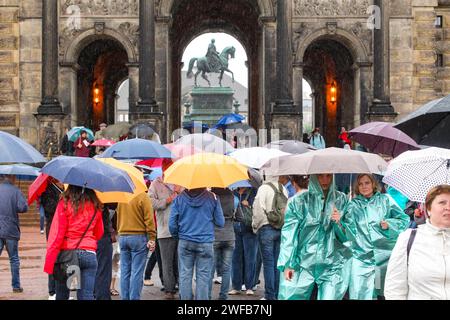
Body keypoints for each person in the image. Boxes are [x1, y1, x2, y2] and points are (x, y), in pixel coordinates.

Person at [278, 174, 350, 300]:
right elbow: (289, 234)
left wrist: (339, 223)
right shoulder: (299, 201)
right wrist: (287, 263)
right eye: (321, 176)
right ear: (314, 177)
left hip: (332, 264)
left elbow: (349, 237)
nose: (325, 180)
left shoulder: (341, 200)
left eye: (328, 176)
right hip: (303, 262)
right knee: (291, 296)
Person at [339, 174, 409, 300]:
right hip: (360, 258)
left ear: (373, 184)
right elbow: (347, 230)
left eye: (367, 183)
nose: (364, 186)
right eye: (360, 184)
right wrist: (339, 220)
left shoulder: (385, 200)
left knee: (380, 292)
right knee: (359, 292)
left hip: (382, 259)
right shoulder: (352, 205)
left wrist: (389, 224)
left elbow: (404, 220)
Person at [384, 185, 450, 300]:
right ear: (428, 209)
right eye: (442, 202)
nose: (448, 207)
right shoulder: (409, 239)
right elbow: (394, 289)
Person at [44, 185, 104, 300]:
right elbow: (99, 232)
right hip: (89, 254)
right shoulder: (95, 204)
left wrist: (51, 258)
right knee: (86, 295)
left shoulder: (65, 203)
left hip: (67, 256)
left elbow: (57, 234)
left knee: (62, 294)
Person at [169, 188, 225, 300]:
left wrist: (178, 236)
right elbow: (220, 222)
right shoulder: (212, 198)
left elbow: (172, 224)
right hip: (205, 241)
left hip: (185, 241)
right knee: (203, 277)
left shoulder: (179, 199)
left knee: (185, 275)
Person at [149, 161, 182, 299]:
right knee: (167, 261)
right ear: (163, 169)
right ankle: (169, 289)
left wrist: (180, 193)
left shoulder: (180, 183)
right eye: (168, 168)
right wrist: (167, 200)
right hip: (164, 229)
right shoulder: (155, 184)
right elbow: (151, 203)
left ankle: (181, 285)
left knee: (179, 261)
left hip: (180, 229)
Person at [252, 176, 289, 300]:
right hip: (280, 228)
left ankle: (269, 296)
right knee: (277, 264)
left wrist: (255, 227)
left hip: (266, 228)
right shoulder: (283, 188)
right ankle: (278, 294)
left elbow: (257, 210)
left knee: (268, 263)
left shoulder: (263, 189)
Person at [117, 191, 156, 300]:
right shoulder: (142, 196)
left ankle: (125, 297)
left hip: (123, 235)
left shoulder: (122, 195)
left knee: (125, 271)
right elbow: (149, 218)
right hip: (138, 237)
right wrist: (152, 237)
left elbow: (118, 215)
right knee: (137, 272)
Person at [0, 175, 28, 293]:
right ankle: (16, 286)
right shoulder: (16, 191)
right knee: (14, 259)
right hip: (11, 229)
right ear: (12, 178)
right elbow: (22, 208)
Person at [229, 187, 259, 296]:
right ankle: (236, 286)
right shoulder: (233, 192)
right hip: (236, 227)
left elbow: (259, 209)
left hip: (250, 228)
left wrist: (249, 205)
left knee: (250, 258)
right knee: (235, 258)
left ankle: (250, 286)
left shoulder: (254, 191)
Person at [209, 188, 236, 300]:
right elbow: (240, 217)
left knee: (210, 268)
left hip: (215, 235)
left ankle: (208, 295)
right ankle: (223, 296)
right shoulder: (232, 196)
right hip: (229, 236)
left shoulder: (212, 197)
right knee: (226, 268)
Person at [39, 178, 63, 300]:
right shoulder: (47, 191)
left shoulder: (63, 189)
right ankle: (52, 291)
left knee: (66, 258)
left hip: (63, 228)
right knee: (53, 258)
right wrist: (62, 200)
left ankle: (63, 289)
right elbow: (50, 209)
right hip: (53, 229)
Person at [94, 205, 116, 300]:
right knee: (103, 271)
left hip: (88, 237)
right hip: (102, 237)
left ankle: (97, 294)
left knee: (96, 270)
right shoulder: (102, 199)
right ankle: (102, 296)